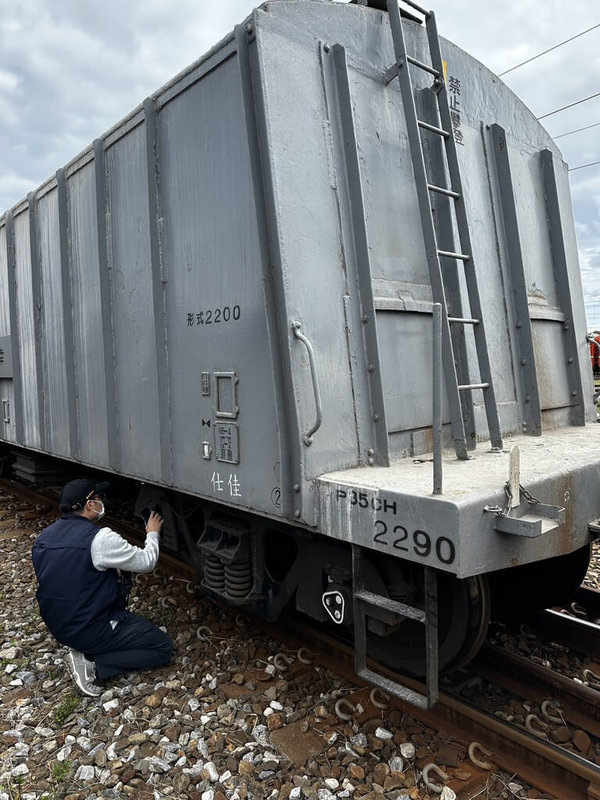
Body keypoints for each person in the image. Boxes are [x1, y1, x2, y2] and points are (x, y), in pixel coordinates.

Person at [32, 478, 173, 696]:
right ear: (89, 505)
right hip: (90, 628)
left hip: (59, 626)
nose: (101, 502)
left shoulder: (43, 537)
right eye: (98, 498)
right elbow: (147, 561)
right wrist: (152, 533)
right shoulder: (100, 539)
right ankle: (93, 665)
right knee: (161, 647)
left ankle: (86, 646)